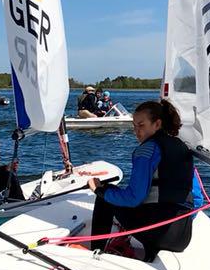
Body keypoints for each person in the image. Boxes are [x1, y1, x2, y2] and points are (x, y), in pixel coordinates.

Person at [86, 99, 202, 261]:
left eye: (141, 125)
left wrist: (100, 189)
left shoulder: (147, 149)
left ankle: (95, 254)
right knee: (155, 208)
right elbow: (197, 200)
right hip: (182, 239)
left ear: (157, 124)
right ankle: (150, 254)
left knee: (105, 198)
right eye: (134, 126)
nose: (136, 131)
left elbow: (134, 198)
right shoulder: (182, 147)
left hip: (158, 233)